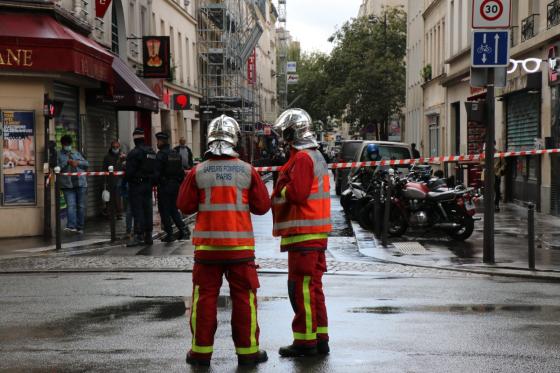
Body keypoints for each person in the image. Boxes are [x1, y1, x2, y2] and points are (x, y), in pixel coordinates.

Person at [177, 115, 270, 367]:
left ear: (209, 138)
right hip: (240, 250)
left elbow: (183, 206)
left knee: (204, 298)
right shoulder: (247, 170)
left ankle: (200, 353)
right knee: (244, 299)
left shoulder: (198, 171)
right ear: (235, 139)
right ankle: (248, 352)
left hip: (207, 250)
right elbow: (262, 207)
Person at [271, 108, 332, 358]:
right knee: (313, 288)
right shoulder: (314, 155)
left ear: (292, 132)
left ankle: (305, 343)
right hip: (314, 233)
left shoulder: (303, 158)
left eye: (284, 132)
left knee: (300, 289)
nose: (282, 138)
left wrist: (280, 189)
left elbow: (297, 194)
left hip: (304, 233)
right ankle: (320, 338)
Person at [125, 128, 157, 247]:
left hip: (137, 185)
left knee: (137, 210)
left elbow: (129, 172)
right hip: (148, 185)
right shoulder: (151, 151)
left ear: (134, 139)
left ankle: (139, 236)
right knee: (147, 210)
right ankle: (148, 235)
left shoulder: (134, 153)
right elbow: (155, 169)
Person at [155, 132, 189, 242]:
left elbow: (157, 173)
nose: (157, 143)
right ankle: (183, 230)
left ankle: (169, 234)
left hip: (165, 187)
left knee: (165, 210)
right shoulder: (175, 153)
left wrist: (156, 182)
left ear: (162, 141)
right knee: (174, 209)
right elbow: (181, 172)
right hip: (175, 186)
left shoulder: (161, 155)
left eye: (158, 141)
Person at [57, 135, 89, 234]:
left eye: (69, 144)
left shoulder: (76, 153)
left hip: (80, 183)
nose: (68, 146)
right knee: (70, 205)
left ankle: (80, 227)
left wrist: (77, 163)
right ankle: (71, 226)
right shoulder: (59, 155)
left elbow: (86, 164)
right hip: (67, 185)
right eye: (66, 145)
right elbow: (56, 168)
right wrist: (66, 163)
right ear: (62, 145)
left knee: (81, 206)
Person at [103, 140, 126, 219]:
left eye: (117, 147)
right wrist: (105, 181)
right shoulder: (107, 157)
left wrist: (123, 160)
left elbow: (125, 167)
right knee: (109, 197)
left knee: (117, 197)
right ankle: (110, 212)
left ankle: (119, 213)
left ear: (119, 147)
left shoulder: (122, 156)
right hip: (110, 179)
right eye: (114, 147)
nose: (115, 148)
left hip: (119, 179)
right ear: (111, 147)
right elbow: (104, 169)